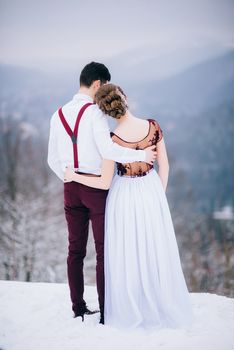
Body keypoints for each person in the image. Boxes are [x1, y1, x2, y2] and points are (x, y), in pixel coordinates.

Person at [64, 83, 193, 329]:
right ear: (126, 99)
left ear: (105, 112)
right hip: (151, 189)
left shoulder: (112, 140)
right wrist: (157, 195)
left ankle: (133, 303)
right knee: (153, 247)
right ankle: (157, 299)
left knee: (128, 251)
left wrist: (74, 176)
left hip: (123, 195)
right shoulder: (152, 126)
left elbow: (103, 181)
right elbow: (164, 167)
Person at [47, 63, 157, 324]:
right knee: (103, 251)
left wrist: (68, 177)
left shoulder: (57, 115)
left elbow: (52, 159)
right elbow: (108, 151)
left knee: (75, 250)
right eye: (105, 86)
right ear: (97, 84)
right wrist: (141, 154)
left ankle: (78, 308)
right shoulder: (95, 113)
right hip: (95, 188)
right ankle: (107, 310)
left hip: (70, 188)